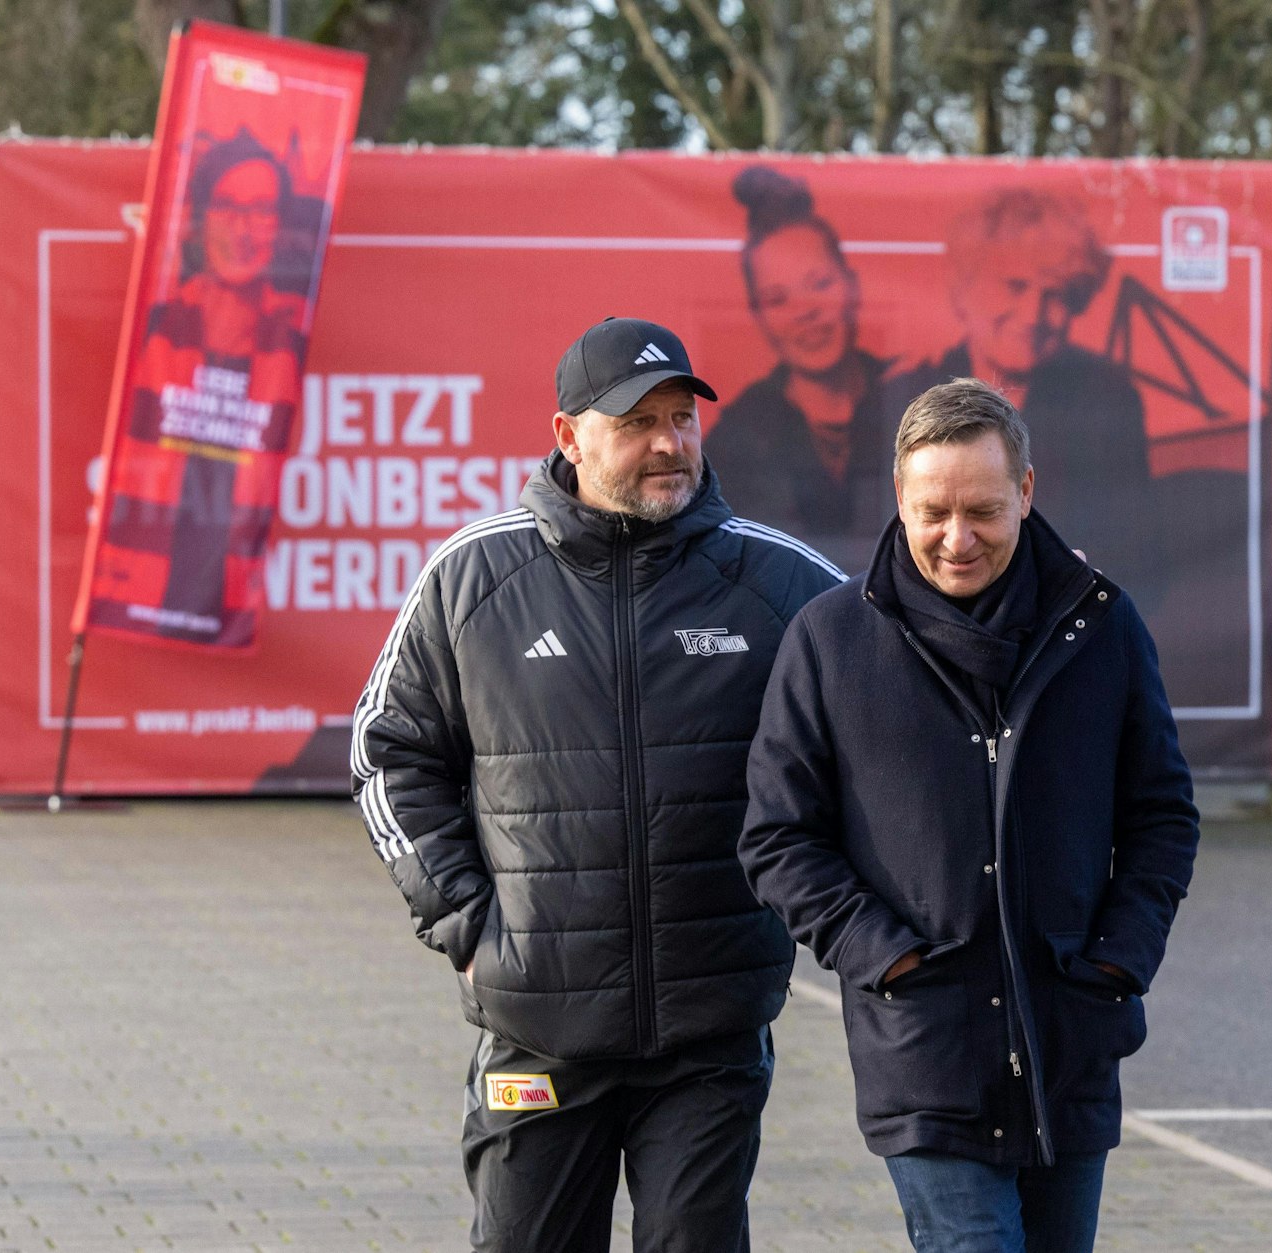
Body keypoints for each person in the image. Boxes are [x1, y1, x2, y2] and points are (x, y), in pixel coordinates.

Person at [350, 316, 843, 1253]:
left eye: (682, 418)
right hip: (538, 1025)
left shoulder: (782, 583)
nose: (669, 442)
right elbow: (386, 752)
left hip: (711, 1030)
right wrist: (466, 922)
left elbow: (877, 743)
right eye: (638, 421)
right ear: (569, 435)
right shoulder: (472, 577)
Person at [739, 379, 1200, 1253]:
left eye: (984, 510)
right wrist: (887, 954)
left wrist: (1119, 959)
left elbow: (1163, 816)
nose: (958, 539)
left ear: (1027, 491)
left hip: (1071, 1039)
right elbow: (776, 835)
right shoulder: (830, 641)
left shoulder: (1101, 627)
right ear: (898, 498)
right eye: (933, 511)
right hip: (925, 1050)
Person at [881, 189, 1164, 607]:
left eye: (1056, 295)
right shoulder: (900, 394)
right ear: (965, 286)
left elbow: (1134, 551)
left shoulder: (1107, 399)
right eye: (1014, 287)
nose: (1033, 314)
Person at [88, 128, 305, 647]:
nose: (245, 229)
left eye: (262, 210)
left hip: (240, 598)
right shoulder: (156, 326)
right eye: (228, 206)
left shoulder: (295, 335)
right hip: (147, 589)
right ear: (199, 221)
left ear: (280, 227)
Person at [706, 166, 895, 573]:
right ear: (758, 316)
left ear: (853, 286)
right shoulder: (735, 439)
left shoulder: (911, 398)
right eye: (777, 299)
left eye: (820, 284)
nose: (805, 312)